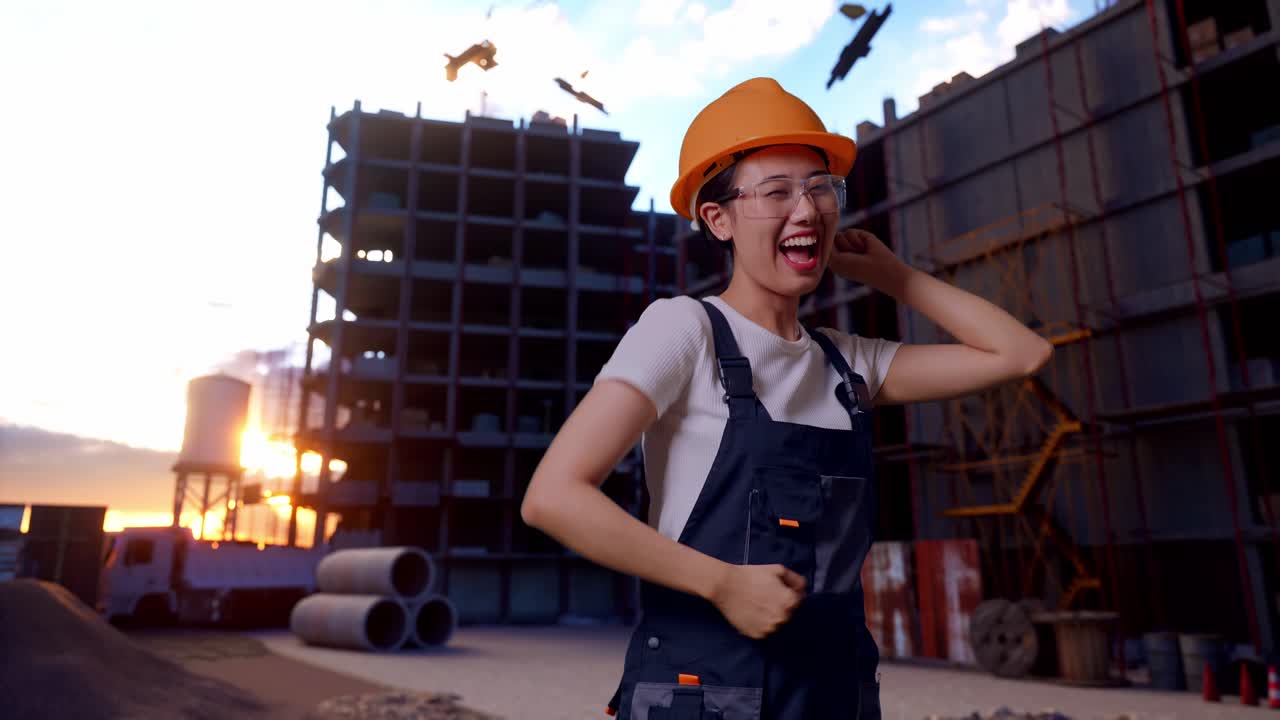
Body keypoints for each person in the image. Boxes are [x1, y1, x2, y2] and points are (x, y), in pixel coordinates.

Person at [520, 78, 1052, 720]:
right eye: (776, 192)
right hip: (706, 694)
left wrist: (895, 275)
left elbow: (1019, 354)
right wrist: (721, 583)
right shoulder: (686, 330)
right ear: (718, 219)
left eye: (820, 188)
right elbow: (554, 497)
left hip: (835, 695)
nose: (807, 211)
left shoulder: (847, 363)